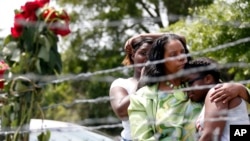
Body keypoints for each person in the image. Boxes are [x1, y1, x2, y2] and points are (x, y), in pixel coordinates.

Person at [127, 33, 250, 141]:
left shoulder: (200, 83)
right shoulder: (142, 98)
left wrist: (241, 89)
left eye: (183, 52)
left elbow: (238, 120)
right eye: (173, 55)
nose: (182, 58)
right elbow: (141, 138)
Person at [109, 33, 164, 141]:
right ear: (133, 55)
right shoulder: (121, 84)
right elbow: (122, 112)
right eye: (143, 53)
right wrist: (143, 81)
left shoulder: (165, 83)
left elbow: (181, 38)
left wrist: (141, 36)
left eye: (152, 55)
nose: (147, 58)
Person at [185, 57, 250, 141]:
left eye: (189, 83)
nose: (186, 89)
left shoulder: (217, 92)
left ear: (208, 79)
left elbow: (210, 137)